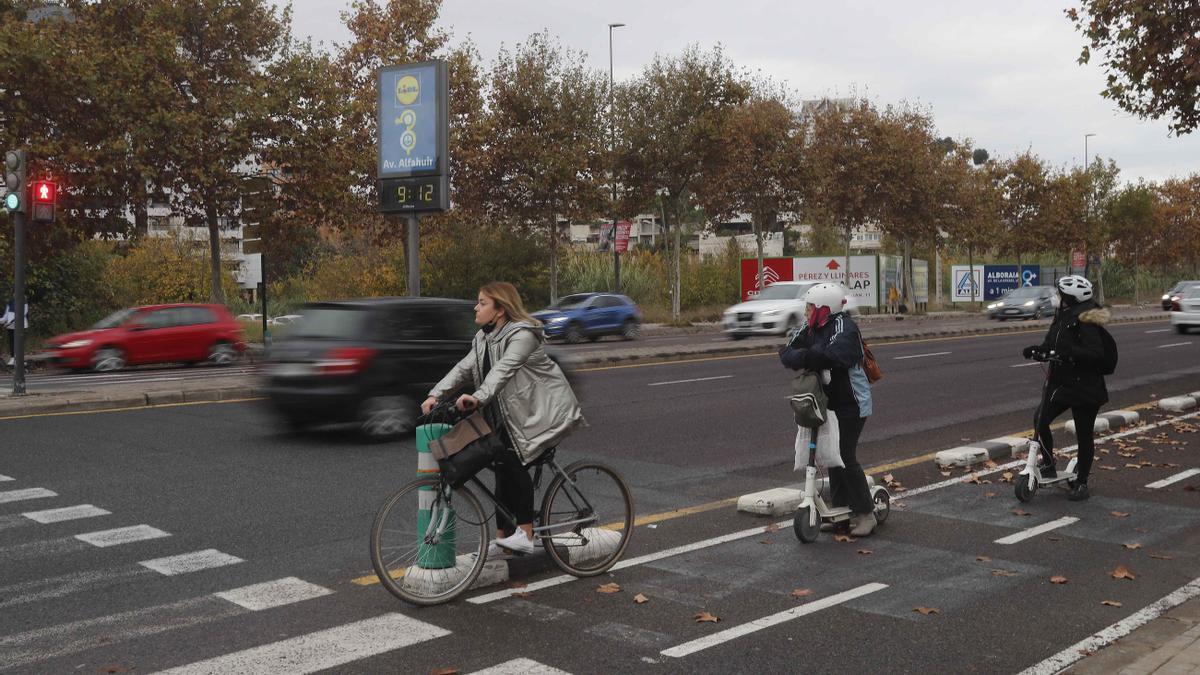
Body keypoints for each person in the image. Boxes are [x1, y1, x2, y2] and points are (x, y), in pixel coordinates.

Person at [422, 282, 585, 557]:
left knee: (513, 461)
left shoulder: (522, 335)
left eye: (483, 303)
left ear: (499, 310)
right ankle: (502, 539)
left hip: (538, 414)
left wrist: (478, 397)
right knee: (501, 470)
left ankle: (525, 533)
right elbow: (463, 369)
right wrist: (435, 395)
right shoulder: (483, 339)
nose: (476, 307)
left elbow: (504, 369)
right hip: (506, 418)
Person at [778, 283, 877, 536]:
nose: (806, 311)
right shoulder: (811, 327)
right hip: (826, 402)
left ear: (825, 308)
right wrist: (809, 355)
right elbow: (787, 352)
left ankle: (866, 514)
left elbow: (834, 355)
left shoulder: (845, 327)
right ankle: (841, 514)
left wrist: (808, 355)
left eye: (810, 307)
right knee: (832, 456)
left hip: (852, 403)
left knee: (844, 455)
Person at [1022, 275, 1110, 501]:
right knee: (1040, 420)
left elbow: (1096, 354)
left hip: (1086, 387)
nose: (1057, 298)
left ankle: (1081, 483)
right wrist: (1039, 350)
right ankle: (1048, 464)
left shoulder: (1088, 319)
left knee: (1084, 435)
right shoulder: (1062, 316)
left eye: (1061, 294)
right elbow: (1052, 343)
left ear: (1071, 298)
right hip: (1061, 383)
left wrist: (1069, 354)